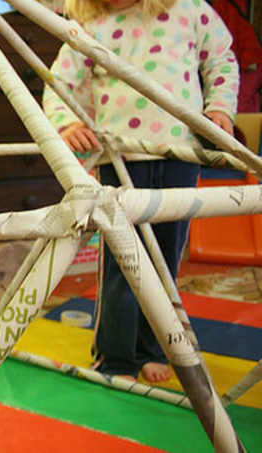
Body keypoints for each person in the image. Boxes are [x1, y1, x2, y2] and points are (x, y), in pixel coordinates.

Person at [43, 0, 239, 382]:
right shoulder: (91, 24)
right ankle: (115, 358)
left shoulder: (188, 8)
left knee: (165, 258)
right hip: (120, 157)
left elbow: (222, 58)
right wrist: (68, 123)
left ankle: (152, 348)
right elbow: (59, 80)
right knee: (123, 262)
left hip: (180, 154)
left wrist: (220, 109)